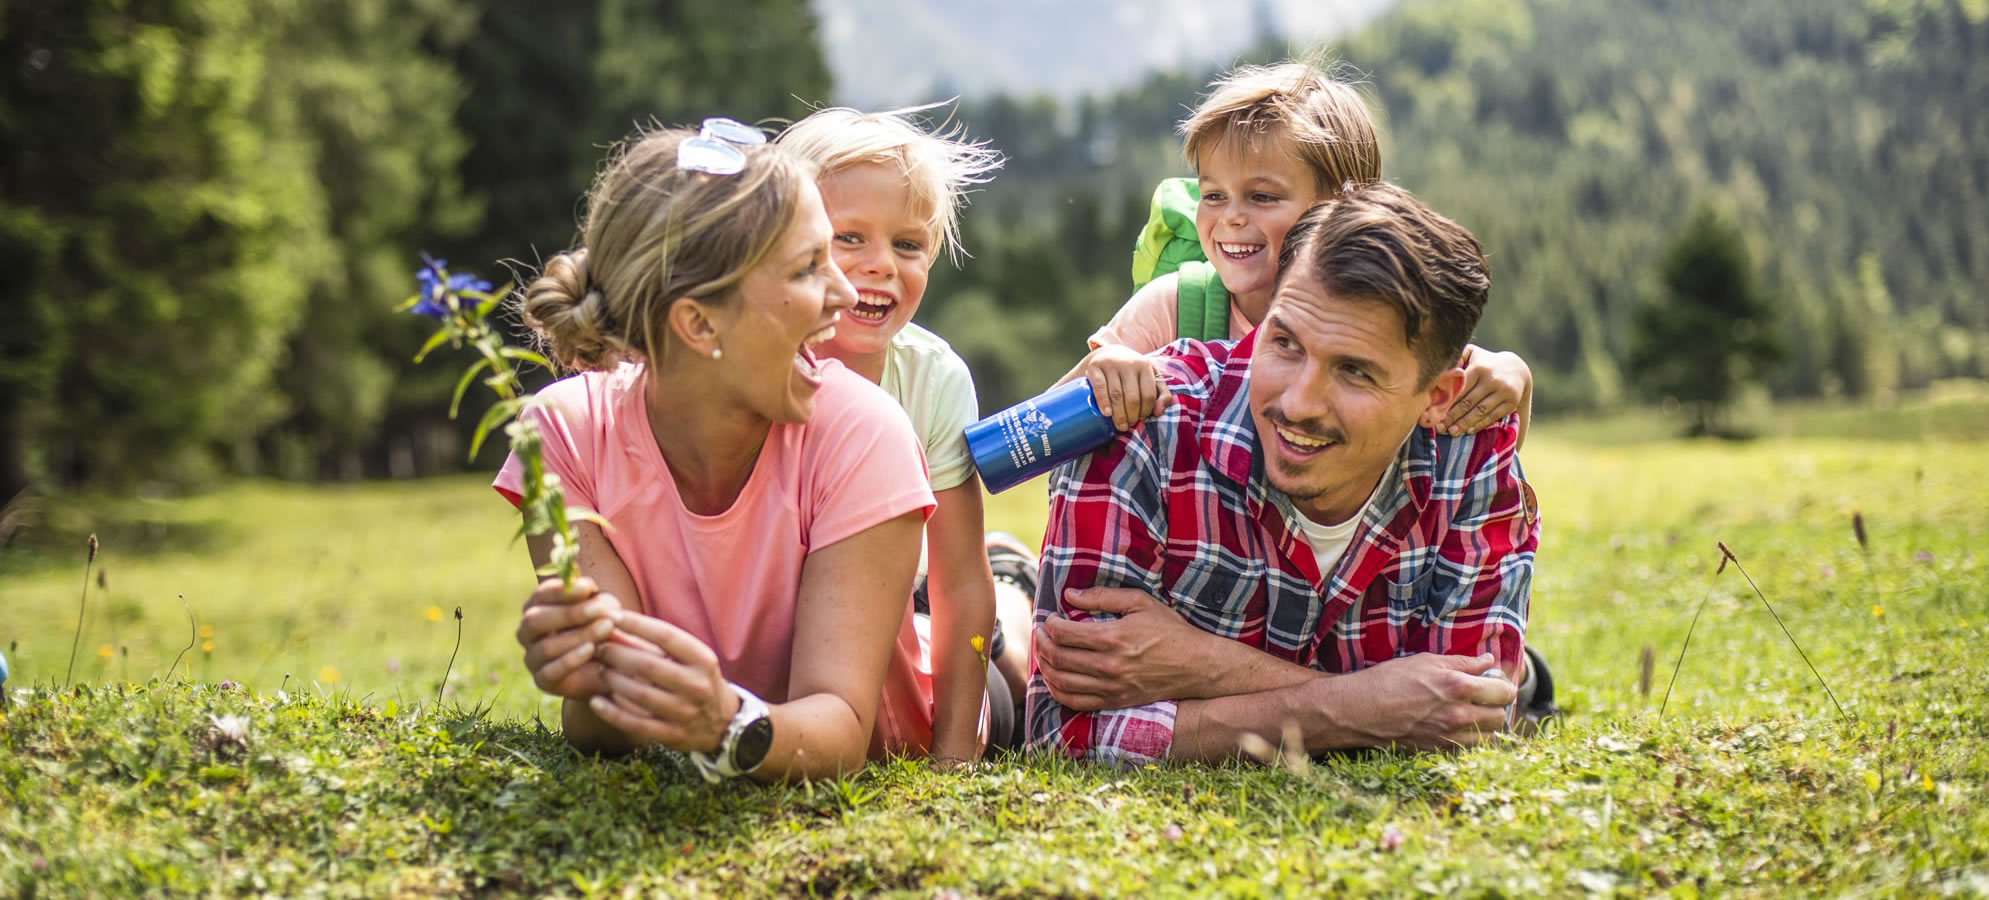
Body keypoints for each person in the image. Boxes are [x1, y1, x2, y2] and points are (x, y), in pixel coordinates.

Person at [1027, 182, 1555, 762]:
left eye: (1354, 372)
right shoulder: (1140, 425)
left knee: (1515, 685)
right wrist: (1369, 706)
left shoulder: (1471, 449)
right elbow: (1063, 736)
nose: (1300, 402)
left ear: (1437, 396)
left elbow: (1465, 718)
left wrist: (1204, 665)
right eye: (1284, 343)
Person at [497, 122, 945, 782]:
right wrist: (588, 680)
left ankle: (1009, 596)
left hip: (909, 711)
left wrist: (724, 722)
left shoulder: (866, 432)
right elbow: (610, 715)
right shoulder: (564, 437)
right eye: (807, 268)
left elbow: (843, 730)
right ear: (699, 324)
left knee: (1005, 671)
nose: (845, 294)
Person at [1061, 60, 1534, 440]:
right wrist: (1103, 373)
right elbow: (1031, 433)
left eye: (1262, 196)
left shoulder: (1383, 318)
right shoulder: (1171, 307)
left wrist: (1514, 377)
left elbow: (1483, 455)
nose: (1230, 217)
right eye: (1213, 195)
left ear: (1342, 205)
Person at [776, 106, 1036, 760]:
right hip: (847, 614)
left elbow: (958, 582)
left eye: (908, 245)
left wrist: (954, 755)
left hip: (912, 613)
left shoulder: (933, 379)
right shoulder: (756, 367)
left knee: (1009, 692)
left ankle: (1017, 590)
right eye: (849, 238)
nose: (881, 265)